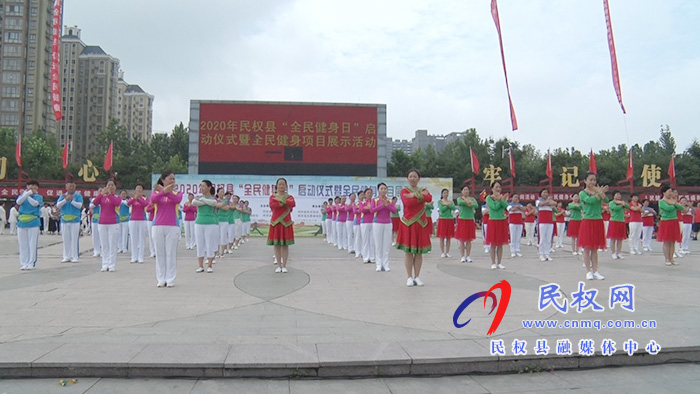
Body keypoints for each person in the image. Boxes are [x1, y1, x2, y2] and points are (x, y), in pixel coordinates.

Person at [396, 169, 432, 287]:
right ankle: (409, 277)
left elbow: (429, 198)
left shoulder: (423, 189)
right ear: (407, 178)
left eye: (415, 176)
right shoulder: (404, 191)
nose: (413, 178)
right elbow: (408, 203)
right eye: (410, 176)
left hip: (421, 223)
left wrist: (415, 195)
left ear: (419, 178)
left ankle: (417, 276)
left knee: (419, 252)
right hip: (408, 223)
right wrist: (420, 197)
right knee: (409, 252)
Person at [150, 171, 183, 287]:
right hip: (158, 225)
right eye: (170, 179)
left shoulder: (178, 193)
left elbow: (177, 200)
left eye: (174, 179)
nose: (172, 181)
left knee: (171, 253)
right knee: (160, 253)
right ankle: (161, 278)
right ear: (163, 180)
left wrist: (165, 191)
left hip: (173, 225)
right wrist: (163, 191)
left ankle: (170, 279)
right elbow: (153, 200)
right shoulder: (156, 192)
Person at [578, 172, 608, 280]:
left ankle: (596, 271)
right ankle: (588, 271)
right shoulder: (582, 193)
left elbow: (606, 200)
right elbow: (589, 201)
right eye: (590, 180)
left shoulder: (597, 191)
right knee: (587, 248)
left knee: (595, 248)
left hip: (598, 220)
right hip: (587, 221)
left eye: (594, 180)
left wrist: (600, 193)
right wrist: (598, 193)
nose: (593, 182)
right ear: (585, 181)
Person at [193, 180, 221, 273]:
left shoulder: (213, 198)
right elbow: (194, 202)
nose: (201, 188)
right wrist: (205, 201)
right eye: (200, 186)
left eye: (204, 186)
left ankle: (209, 265)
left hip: (210, 223)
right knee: (200, 244)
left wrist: (203, 200)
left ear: (209, 187)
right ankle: (200, 266)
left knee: (209, 243)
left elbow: (213, 203)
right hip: (199, 222)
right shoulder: (198, 197)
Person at [268, 178, 295, 273]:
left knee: (285, 245)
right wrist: (284, 202)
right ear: (276, 186)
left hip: (286, 222)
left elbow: (292, 203)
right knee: (277, 244)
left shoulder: (289, 196)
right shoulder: (272, 197)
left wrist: (281, 201)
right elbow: (274, 205)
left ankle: (284, 265)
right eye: (279, 184)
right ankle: (279, 265)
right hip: (276, 222)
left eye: (283, 184)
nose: (281, 186)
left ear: (286, 186)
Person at [93, 180, 121, 272]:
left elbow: (116, 203)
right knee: (104, 245)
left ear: (115, 187)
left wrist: (109, 194)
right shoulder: (102, 197)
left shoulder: (117, 197)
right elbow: (95, 203)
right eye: (108, 185)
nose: (110, 187)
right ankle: (105, 264)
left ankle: (112, 264)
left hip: (113, 222)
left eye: (112, 185)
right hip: (102, 222)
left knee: (112, 244)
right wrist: (102, 194)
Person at [16, 180, 43, 270]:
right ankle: (24, 262)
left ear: (37, 188)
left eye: (35, 186)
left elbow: (34, 204)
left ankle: (31, 263)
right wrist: (26, 194)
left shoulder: (38, 197)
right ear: (27, 186)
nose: (32, 187)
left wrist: (27, 195)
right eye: (30, 185)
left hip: (33, 222)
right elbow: (19, 202)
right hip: (22, 222)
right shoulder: (22, 196)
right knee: (23, 244)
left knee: (32, 243)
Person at [371, 182, 397, 272]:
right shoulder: (375, 200)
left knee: (386, 244)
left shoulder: (389, 201)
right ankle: (378, 264)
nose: (383, 190)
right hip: (377, 222)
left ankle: (386, 264)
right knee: (378, 244)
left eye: (384, 188)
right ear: (378, 190)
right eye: (381, 189)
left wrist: (388, 205)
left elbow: (394, 211)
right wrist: (382, 205)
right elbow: (372, 210)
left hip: (387, 223)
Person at [56, 181, 83, 263]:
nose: (71, 188)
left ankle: (75, 256)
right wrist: (65, 199)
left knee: (74, 239)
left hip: (75, 220)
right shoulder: (63, 196)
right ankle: (66, 256)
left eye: (72, 186)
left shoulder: (78, 196)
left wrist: (71, 200)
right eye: (69, 186)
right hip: (64, 220)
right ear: (66, 187)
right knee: (65, 238)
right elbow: (58, 205)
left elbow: (79, 205)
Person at [657, 185, 683, 265]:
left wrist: (674, 203)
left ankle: (672, 258)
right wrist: (674, 204)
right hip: (666, 222)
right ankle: (667, 259)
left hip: (674, 221)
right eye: (669, 192)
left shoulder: (673, 200)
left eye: (671, 192)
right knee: (667, 241)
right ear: (664, 193)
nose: (671, 193)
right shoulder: (661, 201)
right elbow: (668, 209)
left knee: (672, 241)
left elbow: (681, 207)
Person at [486, 181, 509, 269]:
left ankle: (499, 262)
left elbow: (505, 205)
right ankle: (493, 262)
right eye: (496, 187)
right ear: (492, 189)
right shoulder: (488, 198)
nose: (498, 189)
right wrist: (500, 200)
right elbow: (494, 207)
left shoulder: (502, 197)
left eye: (499, 187)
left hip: (502, 221)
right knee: (493, 244)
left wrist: (500, 199)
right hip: (493, 221)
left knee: (500, 244)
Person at [456, 184, 478, 263]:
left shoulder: (472, 198)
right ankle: (462, 256)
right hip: (462, 220)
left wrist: (468, 202)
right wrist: (468, 203)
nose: (466, 191)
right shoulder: (459, 198)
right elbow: (460, 203)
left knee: (469, 239)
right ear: (462, 191)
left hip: (470, 220)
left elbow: (476, 205)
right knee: (462, 239)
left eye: (467, 190)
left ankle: (468, 256)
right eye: (464, 190)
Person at [127, 184, 149, 264]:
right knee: (134, 239)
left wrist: (138, 198)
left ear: (142, 190)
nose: (138, 190)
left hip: (142, 220)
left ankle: (141, 257)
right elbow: (128, 203)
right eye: (137, 188)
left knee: (141, 239)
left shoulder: (145, 198)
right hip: (133, 220)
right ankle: (134, 256)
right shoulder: (132, 199)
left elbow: (145, 204)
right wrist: (134, 198)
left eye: (140, 188)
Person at [536, 189, 557, 261]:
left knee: (548, 239)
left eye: (547, 192)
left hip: (550, 222)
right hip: (542, 222)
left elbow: (554, 204)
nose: (545, 194)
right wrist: (548, 201)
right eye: (544, 192)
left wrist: (549, 202)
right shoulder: (538, 201)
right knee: (542, 239)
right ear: (540, 193)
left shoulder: (550, 202)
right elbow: (541, 204)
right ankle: (541, 254)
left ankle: (547, 254)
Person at [607, 191, 629, 260]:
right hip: (614, 221)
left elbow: (628, 207)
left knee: (620, 239)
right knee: (613, 239)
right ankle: (613, 253)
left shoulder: (622, 202)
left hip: (621, 221)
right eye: (617, 194)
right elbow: (616, 208)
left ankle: (619, 252)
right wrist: (621, 204)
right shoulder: (611, 203)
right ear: (614, 196)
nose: (618, 195)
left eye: (619, 194)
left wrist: (622, 203)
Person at [437, 188, 455, 258]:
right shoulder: (440, 201)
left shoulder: (450, 201)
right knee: (442, 236)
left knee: (448, 237)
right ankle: (442, 252)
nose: (446, 194)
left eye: (447, 193)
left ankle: (447, 252)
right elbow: (442, 209)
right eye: (444, 193)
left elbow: (453, 207)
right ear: (442, 194)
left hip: (450, 219)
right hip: (443, 219)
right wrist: (447, 205)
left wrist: (446, 204)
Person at [507, 193, 525, 258]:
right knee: (513, 237)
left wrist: (518, 207)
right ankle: (512, 251)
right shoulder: (509, 205)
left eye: (517, 197)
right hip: (512, 223)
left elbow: (524, 209)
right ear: (511, 198)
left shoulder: (520, 205)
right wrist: (518, 207)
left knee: (518, 237)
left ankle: (517, 250)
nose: (516, 198)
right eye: (515, 197)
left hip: (520, 223)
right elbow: (512, 209)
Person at [360, 188, 375, 264]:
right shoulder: (362, 202)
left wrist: (369, 208)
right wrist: (369, 208)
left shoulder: (374, 201)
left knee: (372, 241)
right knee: (365, 240)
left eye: (370, 193)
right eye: (368, 193)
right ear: (365, 194)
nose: (369, 194)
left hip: (373, 222)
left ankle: (372, 257)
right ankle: (366, 257)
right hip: (364, 222)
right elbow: (362, 210)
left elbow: (373, 209)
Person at [215, 188, 230, 258]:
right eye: (220, 192)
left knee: (223, 236)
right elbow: (216, 206)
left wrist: (220, 205)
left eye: (223, 192)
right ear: (217, 193)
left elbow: (227, 208)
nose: (222, 193)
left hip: (224, 220)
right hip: (216, 220)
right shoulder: (215, 200)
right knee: (216, 237)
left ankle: (222, 252)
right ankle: (217, 252)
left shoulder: (226, 200)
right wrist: (221, 205)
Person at [353, 194, 363, 258]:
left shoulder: (365, 203)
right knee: (357, 237)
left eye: (363, 195)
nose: (362, 196)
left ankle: (363, 252)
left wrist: (360, 210)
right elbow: (354, 211)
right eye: (361, 195)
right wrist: (360, 210)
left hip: (363, 221)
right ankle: (357, 252)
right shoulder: (356, 203)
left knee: (363, 238)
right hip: (356, 221)